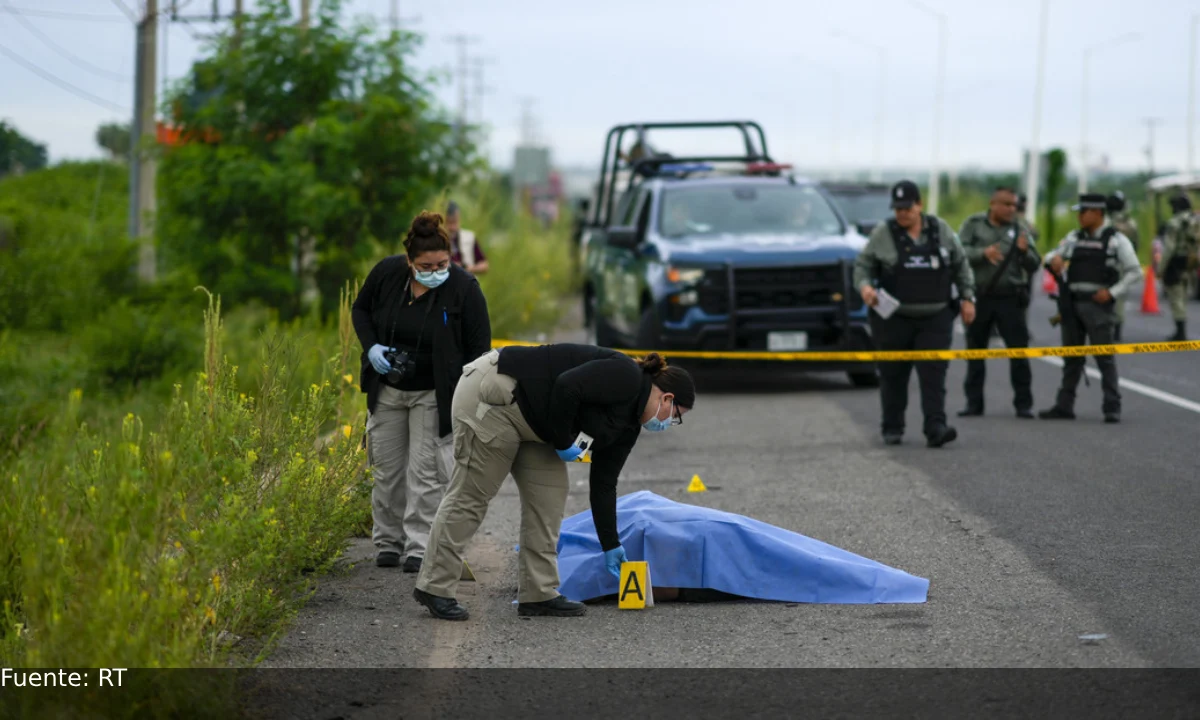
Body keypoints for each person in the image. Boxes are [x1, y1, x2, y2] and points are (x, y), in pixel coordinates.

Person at [413, 344, 696, 620]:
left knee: (549, 495)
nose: (669, 422)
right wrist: (562, 442)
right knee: (472, 495)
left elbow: (604, 484)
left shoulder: (627, 427)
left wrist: (611, 544)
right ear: (667, 398)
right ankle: (434, 586)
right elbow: (567, 386)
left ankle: (538, 594)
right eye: (676, 416)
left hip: (537, 422)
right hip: (495, 394)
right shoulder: (627, 376)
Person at [351, 211, 492, 573]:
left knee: (427, 473)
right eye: (426, 265)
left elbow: (480, 346)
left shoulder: (463, 288)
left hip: (435, 393)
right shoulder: (387, 274)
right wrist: (371, 348)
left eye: (442, 264)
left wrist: (469, 397)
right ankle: (387, 541)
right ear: (410, 262)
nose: (435, 271)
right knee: (386, 470)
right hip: (388, 389)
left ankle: (419, 547)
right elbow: (361, 309)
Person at [854, 180, 976, 448]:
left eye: (907, 208)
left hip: (935, 317)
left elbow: (961, 265)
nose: (902, 213)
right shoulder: (883, 233)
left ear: (919, 205)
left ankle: (936, 427)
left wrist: (968, 298)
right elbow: (863, 267)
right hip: (894, 319)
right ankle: (892, 427)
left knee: (933, 375)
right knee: (893, 374)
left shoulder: (940, 230)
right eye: (897, 208)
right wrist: (865, 288)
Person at [1038, 193, 1140, 423]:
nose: (1080, 216)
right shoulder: (1074, 237)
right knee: (1071, 357)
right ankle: (1064, 405)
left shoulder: (1116, 240)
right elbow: (1055, 253)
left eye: (1083, 211)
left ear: (1097, 213)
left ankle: (1112, 406)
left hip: (1098, 306)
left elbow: (1135, 271)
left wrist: (1112, 292)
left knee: (1104, 358)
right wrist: (1053, 259)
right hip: (1072, 304)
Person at [957, 187, 1041, 418]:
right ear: (993, 204)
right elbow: (958, 253)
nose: (1011, 209)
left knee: (1018, 351)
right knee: (975, 350)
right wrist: (982, 253)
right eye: (1006, 204)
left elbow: (1035, 263)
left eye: (1014, 205)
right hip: (980, 297)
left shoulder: (1020, 229)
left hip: (1009, 299)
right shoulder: (973, 225)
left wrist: (1024, 253)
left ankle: (1023, 404)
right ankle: (973, 403)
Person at [1158, 194, 1197, 341]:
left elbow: (1169, 248)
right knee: (1185, 295)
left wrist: (1161, 268)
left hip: (1176, 262)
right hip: (1192, 262)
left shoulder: (1175, 223)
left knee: (1176, 297)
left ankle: (1180, 332)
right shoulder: (1195, 220)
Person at [1106, 191, 1140, 342]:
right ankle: (1117, 330)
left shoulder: (1105, 221)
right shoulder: (1130, 223)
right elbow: (1136, 245)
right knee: (1120, 297)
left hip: (1106, 263)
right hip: (1124, 264)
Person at [445, 201, 489, 275]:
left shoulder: (469, 237)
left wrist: (470, 268)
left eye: (455, 222)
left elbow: (484, 265)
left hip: (467, 283)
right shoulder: (436, 240)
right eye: (448, 222)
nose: (452, 227)